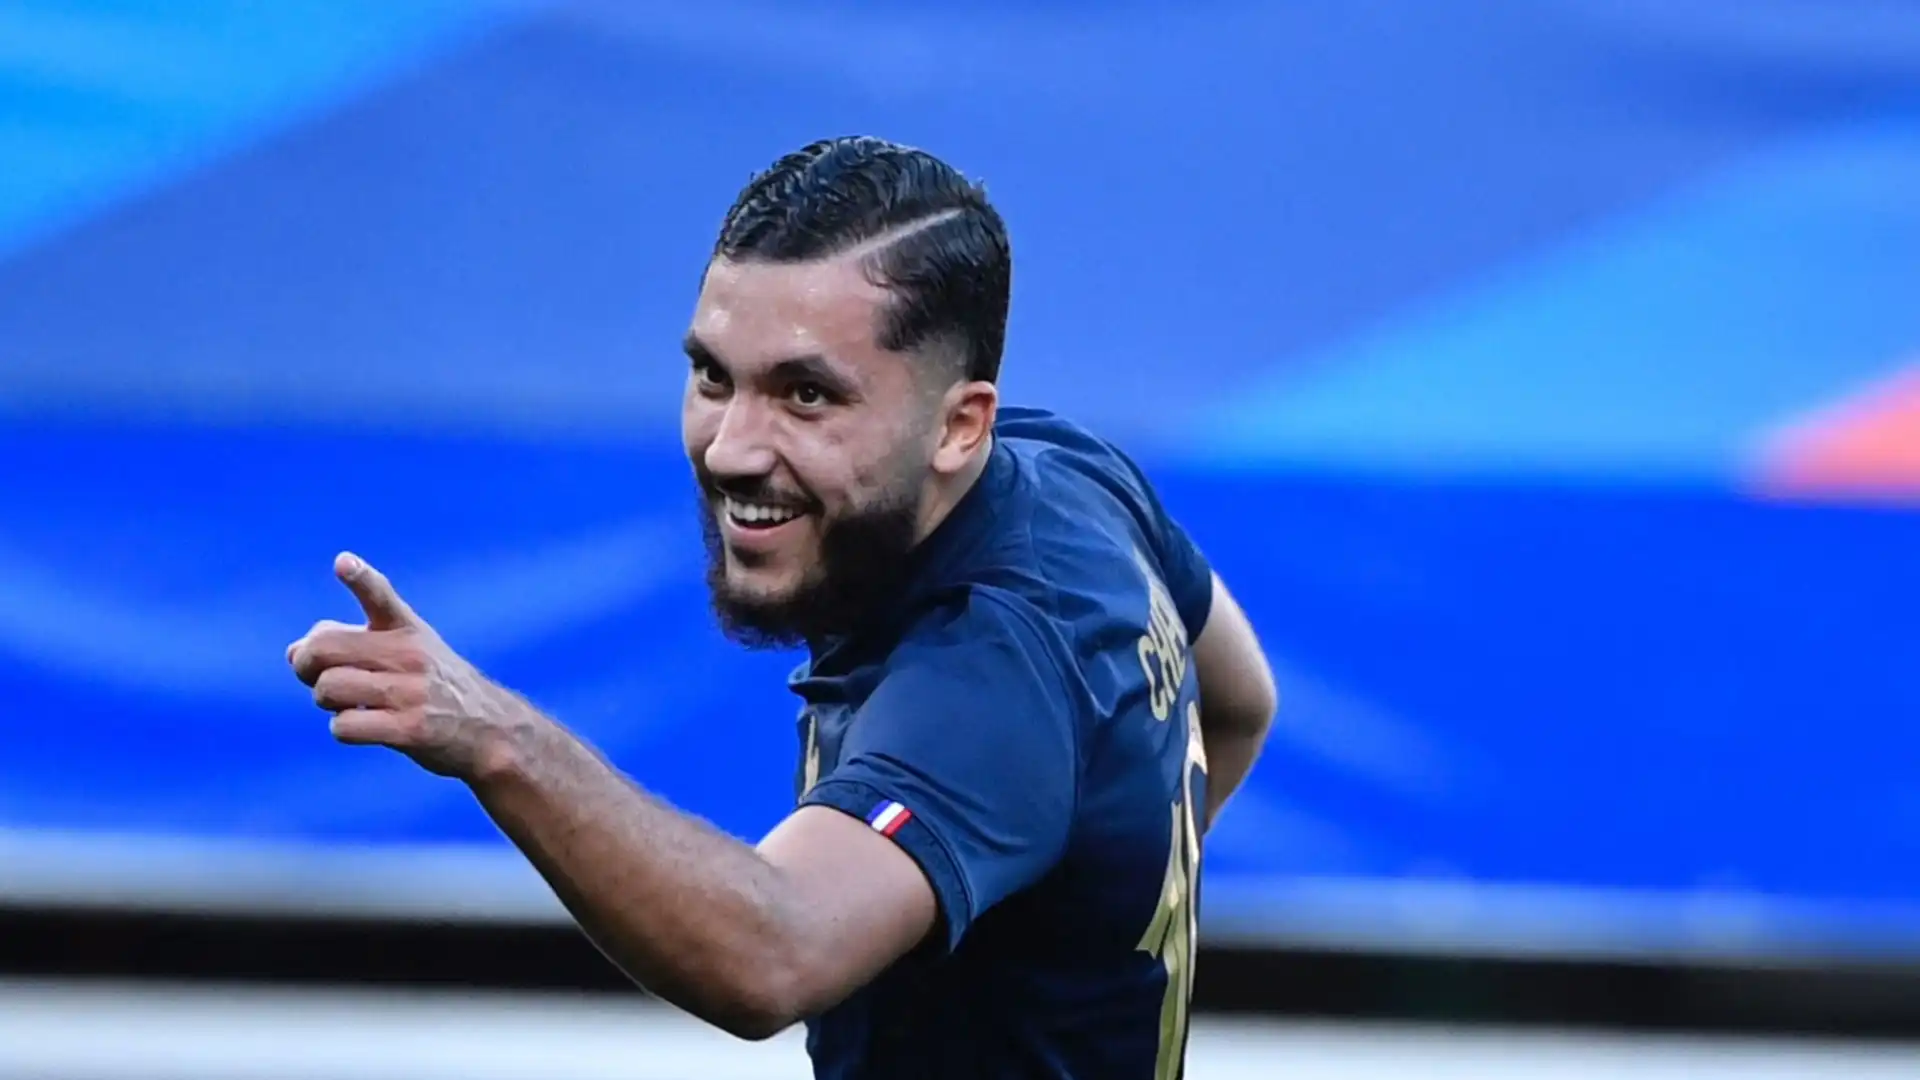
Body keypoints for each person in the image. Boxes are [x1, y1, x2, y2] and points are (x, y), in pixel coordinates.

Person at [286, 136, 1278, 1079]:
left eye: (806, 396)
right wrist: (1086, 878)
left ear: (958, 426)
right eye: (713, 377)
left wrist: (494, 737)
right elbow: (1239, 700)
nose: (730, 449)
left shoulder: (986, 672)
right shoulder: (1068, 471)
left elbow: (772, 952)